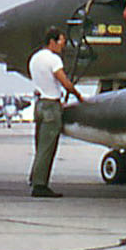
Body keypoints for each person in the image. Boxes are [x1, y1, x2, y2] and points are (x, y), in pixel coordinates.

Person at [28, 27, 84, 198]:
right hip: (51, 106)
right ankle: (40, 185)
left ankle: (34, 177)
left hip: (39, 105)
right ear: (52, 41)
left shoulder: (35, 58)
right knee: (47, 148)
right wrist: (78, 95)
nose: (63, 46)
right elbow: (64, 82)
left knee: (40, 146)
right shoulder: (53, 60)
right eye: (61, 42)